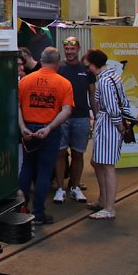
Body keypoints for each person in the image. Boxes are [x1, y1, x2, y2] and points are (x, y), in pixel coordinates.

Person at [17, 46, 73, 225]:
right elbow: (66, 110)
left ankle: (20, 208)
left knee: (27, 167)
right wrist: (49, 128)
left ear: (41, 61)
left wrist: (22, 127)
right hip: (49, 130)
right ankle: (38, 213)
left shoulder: (25, 81)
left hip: (28, 128)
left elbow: (17, 106)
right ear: (58, 63)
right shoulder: (64, 83)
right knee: (44, 171)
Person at [82, 48, 128, 220]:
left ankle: (109, 207)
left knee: (107, 166)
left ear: (94, 64)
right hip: (109, 124)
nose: (88, 69)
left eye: (88, 66)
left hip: (109, 125)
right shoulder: (113, 76)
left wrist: (120, 126)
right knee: (97, 162)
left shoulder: (104, 81)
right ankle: (104, 201)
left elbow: (112, 108)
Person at [53, 37, 96, 204]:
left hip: (81, 117)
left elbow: (92, 94)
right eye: (67, 49)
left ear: (78, 48)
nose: (69, 52)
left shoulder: (86, 70)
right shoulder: (58, 68)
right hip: (61, 118)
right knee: (60, 153)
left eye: (72, 49)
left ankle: (75, 187)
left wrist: (96, 116)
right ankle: (60, 188)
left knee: (78, 154)